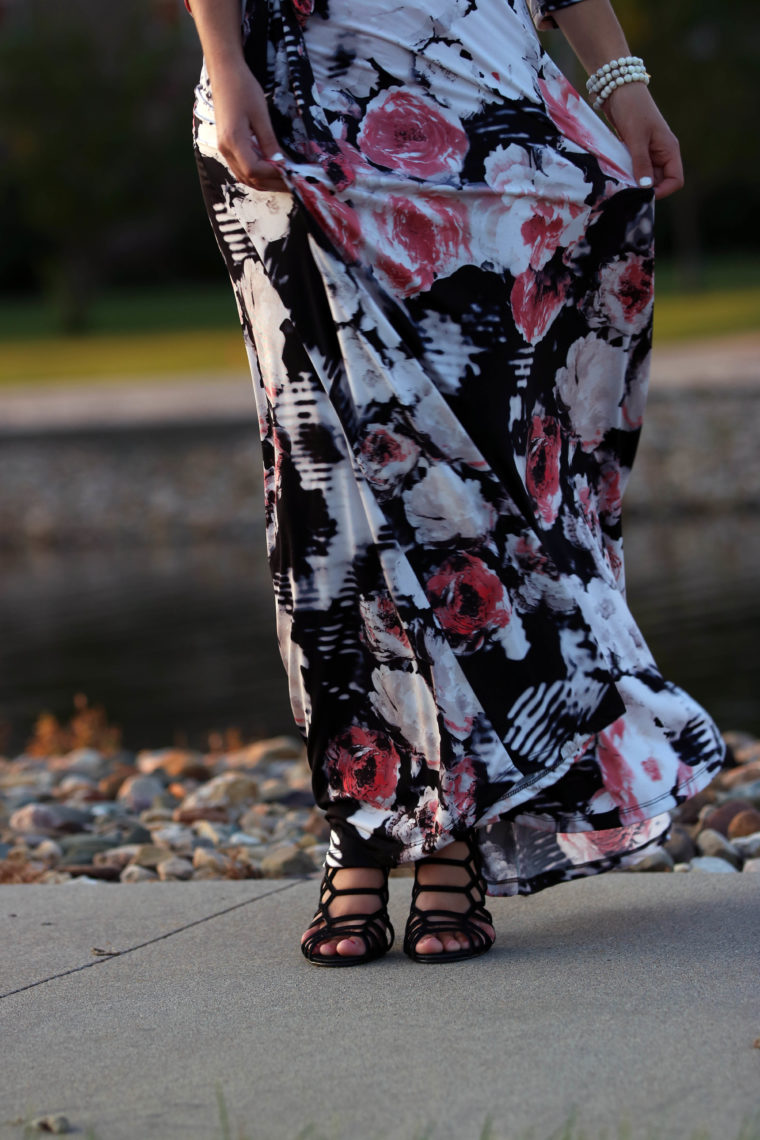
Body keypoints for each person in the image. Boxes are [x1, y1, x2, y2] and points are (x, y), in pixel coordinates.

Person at [188, 0, 726, 966]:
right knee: (326, 482)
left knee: (480, 488)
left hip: (482, 114)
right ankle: (361, 817)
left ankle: (455, 830)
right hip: (293, 108)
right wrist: (224, 62)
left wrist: (621, 80)